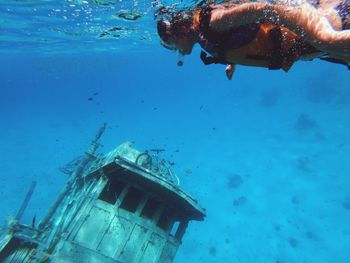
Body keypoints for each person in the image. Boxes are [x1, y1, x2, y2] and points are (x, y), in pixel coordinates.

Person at [155, 0, 350, 79]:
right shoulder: (206, 37)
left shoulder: (212, 22)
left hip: (335, 22)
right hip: (311, 49)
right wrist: (232, 63)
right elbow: (238, 38)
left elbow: (263, 9)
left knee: (331, 41)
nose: (175, 50)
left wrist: (323, 37)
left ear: (180, 32)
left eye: (170, 44)